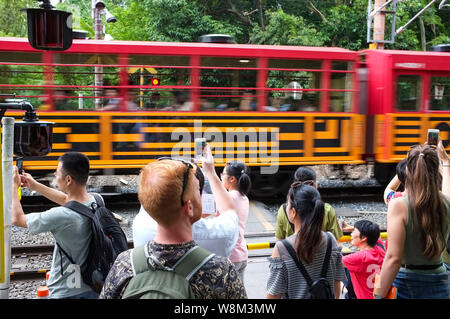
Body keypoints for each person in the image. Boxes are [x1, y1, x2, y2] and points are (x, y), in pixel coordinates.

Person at [100, 155, 247, 299]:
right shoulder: (221, 271)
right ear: (189, 207)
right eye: (198, 191)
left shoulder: (124, 264)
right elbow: (230, 212)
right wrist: (210, 172)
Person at [12, 152, 99, 299]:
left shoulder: (61, 216)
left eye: (57, 172)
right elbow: (69, 200)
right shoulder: (97, 201)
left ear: (68, 179)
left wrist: (14, 187)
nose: (54, 174)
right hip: (93, 284)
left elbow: (17, 219)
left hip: (66, 290)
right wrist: (35, 186)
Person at [374, 143, 450, 299]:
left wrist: (378, 293)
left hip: (406, 282)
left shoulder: (398, 204)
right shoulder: (446, 202)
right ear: (436, 171)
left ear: (407, 170)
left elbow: (393, 258)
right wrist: (445, 161)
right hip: (441, 279)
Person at [266, 182, 346, 299]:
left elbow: (273, 296)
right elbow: (336, 286)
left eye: (287, 205)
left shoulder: (282, 249)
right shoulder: (330, 240)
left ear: (293, 212)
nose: (286, 207)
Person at [275, 167, 344, 241]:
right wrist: (339, 226)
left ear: (294, 184)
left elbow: (279, 241)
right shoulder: (327, 209)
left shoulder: (285, 210)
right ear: (315, 185)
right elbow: (335, 242)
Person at [219, 159, 251, 282]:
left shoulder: (229, 197)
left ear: (232, 179)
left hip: (230, 255)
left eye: (223, 174)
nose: (221, 177)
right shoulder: (244, 197)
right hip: (242, 254)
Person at [342, 220, 386, 299]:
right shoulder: (380, 249)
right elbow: (375, 234)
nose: (351, 234)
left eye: (354, 231)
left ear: (364, 238)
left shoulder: (357, 258)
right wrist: (357, 228)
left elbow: (331, 260)